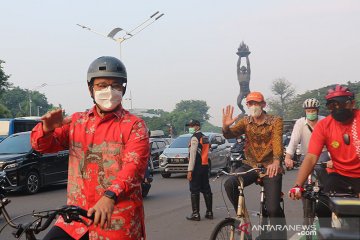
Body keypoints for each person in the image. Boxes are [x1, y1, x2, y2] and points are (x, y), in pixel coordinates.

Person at [31, 56, 150, 240]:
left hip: (116, 218)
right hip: (76, 219)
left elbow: (134, 168)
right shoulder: (76, 122)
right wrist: (46, 129)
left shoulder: (134, 125)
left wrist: (110, 195)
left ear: (123, 89)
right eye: (102, 85)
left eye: (115, 85)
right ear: (90, 89)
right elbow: (41, 146)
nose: (109, 91)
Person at [289, 85, 360, 229]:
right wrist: (298, 185)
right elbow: (311, 157)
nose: (337, 107)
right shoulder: (324, 126)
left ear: (352, 103)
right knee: (321, 206)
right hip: (339, 174)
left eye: (342, 103)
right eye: (333, 105)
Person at [222, 92, 287, 239]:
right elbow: (230, 134)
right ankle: (244, 220)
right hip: (250, 165)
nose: (253, 106)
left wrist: (276, 161)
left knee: (273, 208)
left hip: (270, 167)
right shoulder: (245, 121)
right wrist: (226, 127)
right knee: (230, 184)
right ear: (247, 106)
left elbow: (277, 143)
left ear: (263, 105)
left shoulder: (275, 121)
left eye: (256, 103)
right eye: (250, 103)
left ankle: (281, 235)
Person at [285, 98, 331, 185]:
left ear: (317, 111)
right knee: (302, 182)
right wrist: (288, 157)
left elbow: (331, 141)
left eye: (313, 110)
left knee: (321, 171)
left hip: (322, 154)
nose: (311, 113)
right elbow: (294, 141)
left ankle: (325, 190)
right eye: (308, 111)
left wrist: (332, 159)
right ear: (305, 111)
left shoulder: (325, 121)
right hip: (305, 154)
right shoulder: (300, 123)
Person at [185, 119, 213, 221]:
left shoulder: (194, 138)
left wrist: (189, 170)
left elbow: (193, 155)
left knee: (194, 190)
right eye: (189, 126)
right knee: (206, 189)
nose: (190, 128)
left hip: (196, 167)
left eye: (192, 126)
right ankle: (209, 212)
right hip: (205, 166)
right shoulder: (205, 137)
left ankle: (195, 214)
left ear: (197, 126)